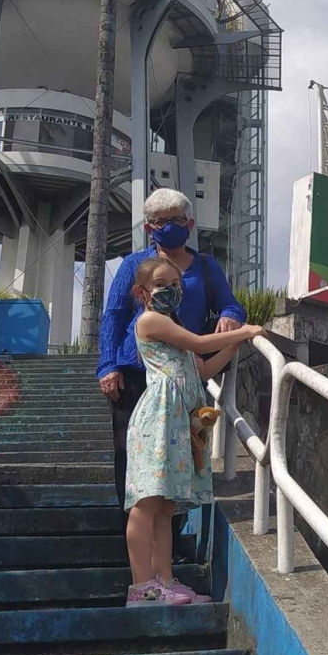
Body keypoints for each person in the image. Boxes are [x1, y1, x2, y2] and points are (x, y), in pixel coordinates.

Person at [123, 255, 265, 605]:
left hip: (177, 420)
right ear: (142, 292)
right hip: (158, 418)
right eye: (161, 284)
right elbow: (201, 344)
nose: (170, 290)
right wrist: (247, 329)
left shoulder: (173, 329)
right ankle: (142, 586)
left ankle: (165, 580)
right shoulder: (151, 321)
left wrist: (233, 343)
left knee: (167, 506)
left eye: (175, 284)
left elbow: (203, 369)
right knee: (147, 501)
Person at [98, 189, 246, 503]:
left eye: (177, 219)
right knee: (132, 452)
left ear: (190, 224)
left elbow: (230, 304)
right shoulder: (134, 265)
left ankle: (171, 535)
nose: (169, 226)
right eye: (161, 221)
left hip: (186, 378)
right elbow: (114, 316)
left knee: (184, 455)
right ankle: (130, 530)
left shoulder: (206, 267)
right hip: (137, 376)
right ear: (149, 228)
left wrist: (231, 318)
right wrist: (108, 367)